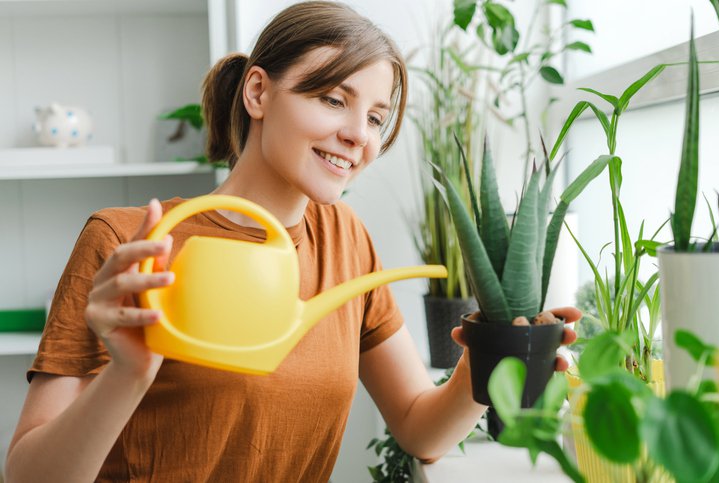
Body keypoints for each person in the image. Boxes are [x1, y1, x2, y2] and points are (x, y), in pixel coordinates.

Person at [4, 2, 579, 482]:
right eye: (333, 99)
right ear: (258, 92)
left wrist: (488, 359)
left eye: (377, 118)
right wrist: (128, 373)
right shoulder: (127, 242)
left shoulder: (345, 240)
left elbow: (418, 427)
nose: (359, 135)